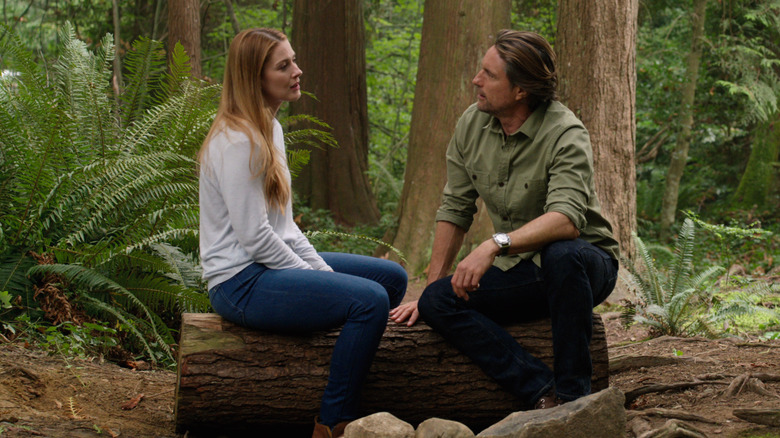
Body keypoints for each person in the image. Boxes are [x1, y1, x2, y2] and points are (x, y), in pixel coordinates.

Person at [390, 30, 619, 410]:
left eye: (489, 75)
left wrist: (494, 244)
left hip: (585, 265)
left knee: (563, 254)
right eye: (480, 70)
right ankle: (542, 392)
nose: (476, 80)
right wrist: (432, 287)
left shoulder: (565, 132)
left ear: (520, 91)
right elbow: (455, 207)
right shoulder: (471, 124)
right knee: (437, 302)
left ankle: (576, 396)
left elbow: (566, 220)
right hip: (523, 271)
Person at [198, 28, 407, 438]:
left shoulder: (269, 129)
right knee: (369, 301)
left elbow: (285, 227)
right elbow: (255, 238)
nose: (298, 70)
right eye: (284, 65)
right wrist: (320, 279)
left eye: (293, 60)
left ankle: (337, 348)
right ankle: (332, 422)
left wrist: (321, 274)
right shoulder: (236, 141)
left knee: (392, 278)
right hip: (239, 282)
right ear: (254, 77)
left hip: (267, 268)